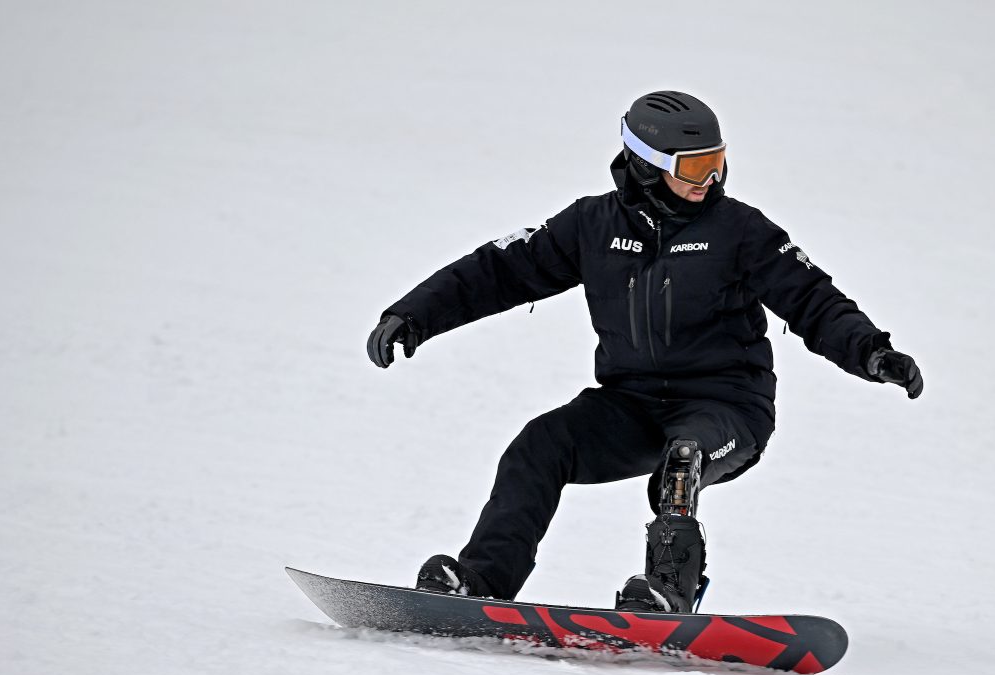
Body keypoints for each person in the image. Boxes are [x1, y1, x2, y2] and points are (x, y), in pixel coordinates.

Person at [366, 90, 922, 613]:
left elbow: (813, 299)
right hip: (630, 406)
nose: (710, 180)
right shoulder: (592, 225)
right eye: (693, 168)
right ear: (646, 163)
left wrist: (872, 353)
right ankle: (482, 583)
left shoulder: (740, 230)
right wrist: (415, 314)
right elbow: (498, 270)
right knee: (540, 444)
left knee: (682, 462)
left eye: (717, 162)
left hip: (727, 408)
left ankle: (668, 594)